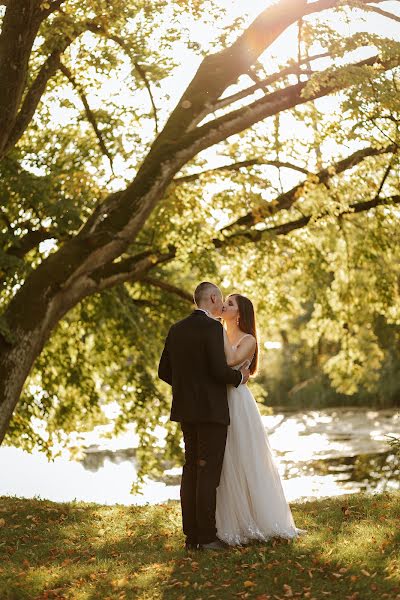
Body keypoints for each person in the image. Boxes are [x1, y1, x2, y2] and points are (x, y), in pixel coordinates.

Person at [158, 282, 250, 551]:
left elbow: (164, 371)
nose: (221, 304)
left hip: (186, 411)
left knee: (191, 470)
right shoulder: (212, 328)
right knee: (208, 471)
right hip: (211, 411)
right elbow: (219, 371)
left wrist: (187, 386)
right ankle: (207, 537)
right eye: (220, 300)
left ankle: (191, 537)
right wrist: (240, 377)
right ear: (212, 297)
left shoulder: (176, 329)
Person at [216, 293, 303, 545]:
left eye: (230, 304)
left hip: (238, 402)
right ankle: (229, 518)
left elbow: (231, 360)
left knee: (244, 455)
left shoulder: (248, 340)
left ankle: (257, 517)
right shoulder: (218, 332)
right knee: (226, 458)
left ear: (240, 313)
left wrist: (217, 327)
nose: (224, 305)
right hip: (220, 398)